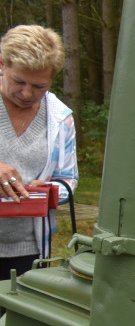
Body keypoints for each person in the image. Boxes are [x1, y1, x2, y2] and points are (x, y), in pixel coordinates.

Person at [0, 24, 77, 276]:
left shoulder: (60, 118)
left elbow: (68, 179)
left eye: (39, 86)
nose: (26, 93)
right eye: (19, 81)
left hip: (29, 250)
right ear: (2, 64)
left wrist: (49, 191)